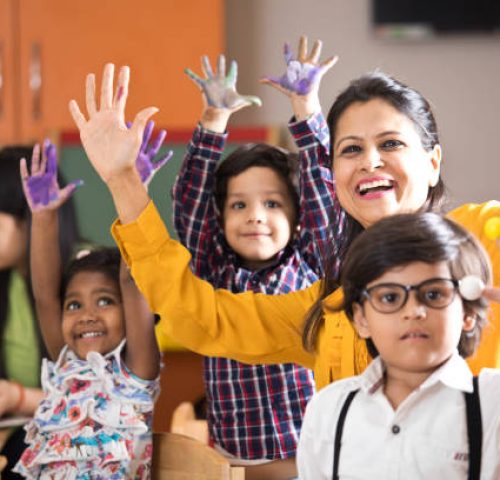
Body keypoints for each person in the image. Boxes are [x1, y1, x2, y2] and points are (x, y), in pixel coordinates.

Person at [68, 60, 500, 393]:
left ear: (431, 162)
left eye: (390, 143)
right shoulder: (329, 307)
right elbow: (203, 317)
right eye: (351, 149)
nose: (370, 162)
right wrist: (122, 179)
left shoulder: (482, 235)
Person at [172, 44, 342, 471]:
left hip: (307, 457)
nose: (255, 218)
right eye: (238, 205)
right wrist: (214, 121)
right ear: (221, 216)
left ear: (297, 217)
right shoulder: (212, 272)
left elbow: (325, 192)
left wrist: (306, 108)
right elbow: (190, 203)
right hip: (235, 461)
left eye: (272, 204)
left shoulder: (310, 266)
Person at [297, 212, 500, 479]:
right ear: (361, 319)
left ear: (468, 313)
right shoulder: (329, 408)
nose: (414, 311)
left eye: (434, 294)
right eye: (390, 297)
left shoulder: (491, 402)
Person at [13, 142, 160, 479]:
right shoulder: (68, 363)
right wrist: (44, 215)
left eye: (105, 300)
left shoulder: (136, 372)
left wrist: (132, 192)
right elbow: (46, 297)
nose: (86, 315)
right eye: (74, 305)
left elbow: (132, 281)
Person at [0, 144, 80, 479]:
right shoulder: (6, 280)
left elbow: (100, 395)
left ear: (27, 218)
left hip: (70, 446)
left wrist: (17, 398)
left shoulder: (86, 279)